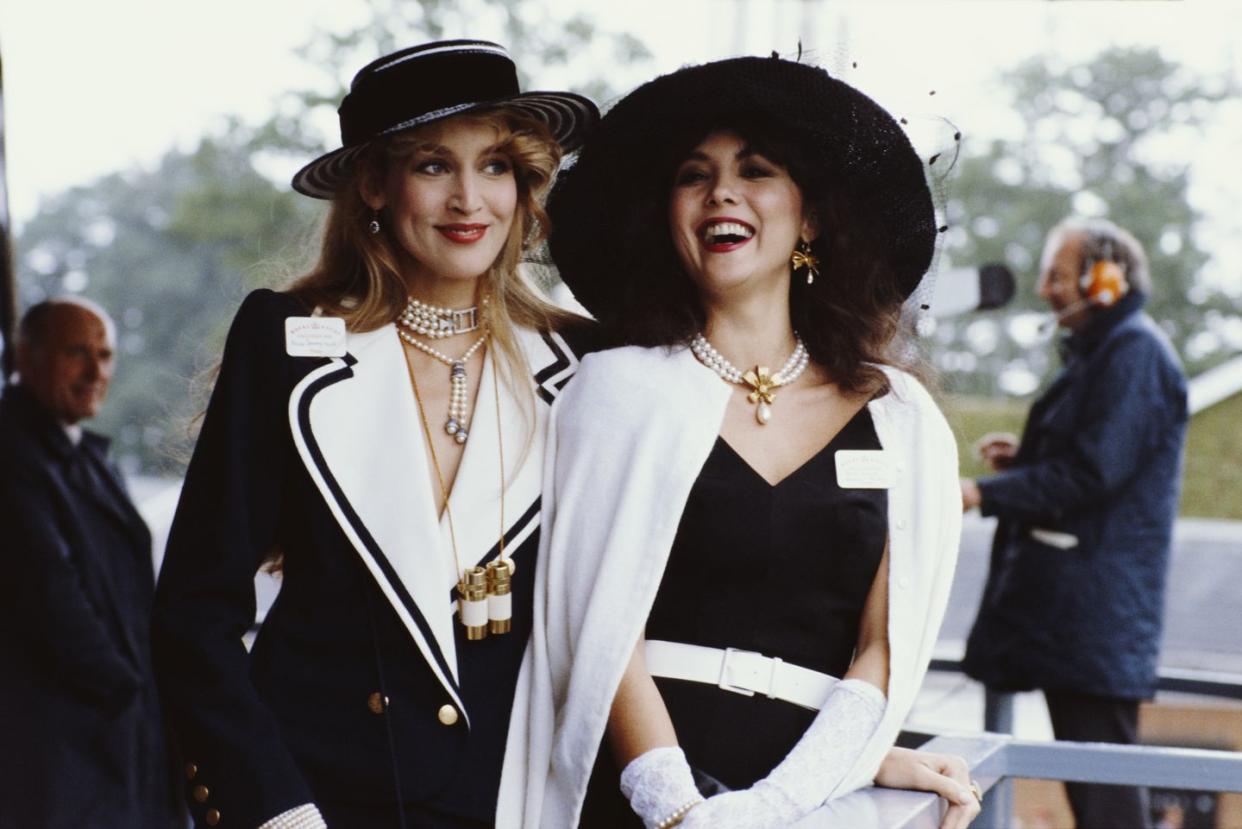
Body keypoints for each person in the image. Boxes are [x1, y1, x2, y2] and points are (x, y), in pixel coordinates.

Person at [500, 55, 971, 829]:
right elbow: (598, 626)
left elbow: (882, 651)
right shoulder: (616, 391)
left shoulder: (903, 419)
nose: (722, 191)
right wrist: (681, 810)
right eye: (695, 174)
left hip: (813, 802)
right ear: (669, 216)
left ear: (810, 216)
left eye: (755, 170)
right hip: (638, 797)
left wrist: (778, 806)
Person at [150, 40, 600, 829]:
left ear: (525, 188)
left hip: (512, 800)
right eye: (433, 165)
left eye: (494, 165)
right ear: (373, 185)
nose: (470, 200)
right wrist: (278, 811)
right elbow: (194, 614)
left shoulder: (584, 361)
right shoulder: (285, 344)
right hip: (318, 799)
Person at [961, 218, 1188, 829]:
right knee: (1100, 801)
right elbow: (1098, 460)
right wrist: (1026, 462)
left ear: (1105, 280)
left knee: (1108, 808)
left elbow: (1089, 476)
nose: (1042, 289)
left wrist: (982, 493)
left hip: (1092, 626)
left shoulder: (1133, 354)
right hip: (1082, 628)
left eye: (1056, 275)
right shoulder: (1114, 353)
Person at [0, 297, 181, 828]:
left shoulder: (83, 457)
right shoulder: (13, 457)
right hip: (64, 751)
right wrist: (126, 690)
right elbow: (49, 596)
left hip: (107, 742)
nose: (95, 371)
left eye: (105, 355)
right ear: (26, 358)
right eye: (76, 353)